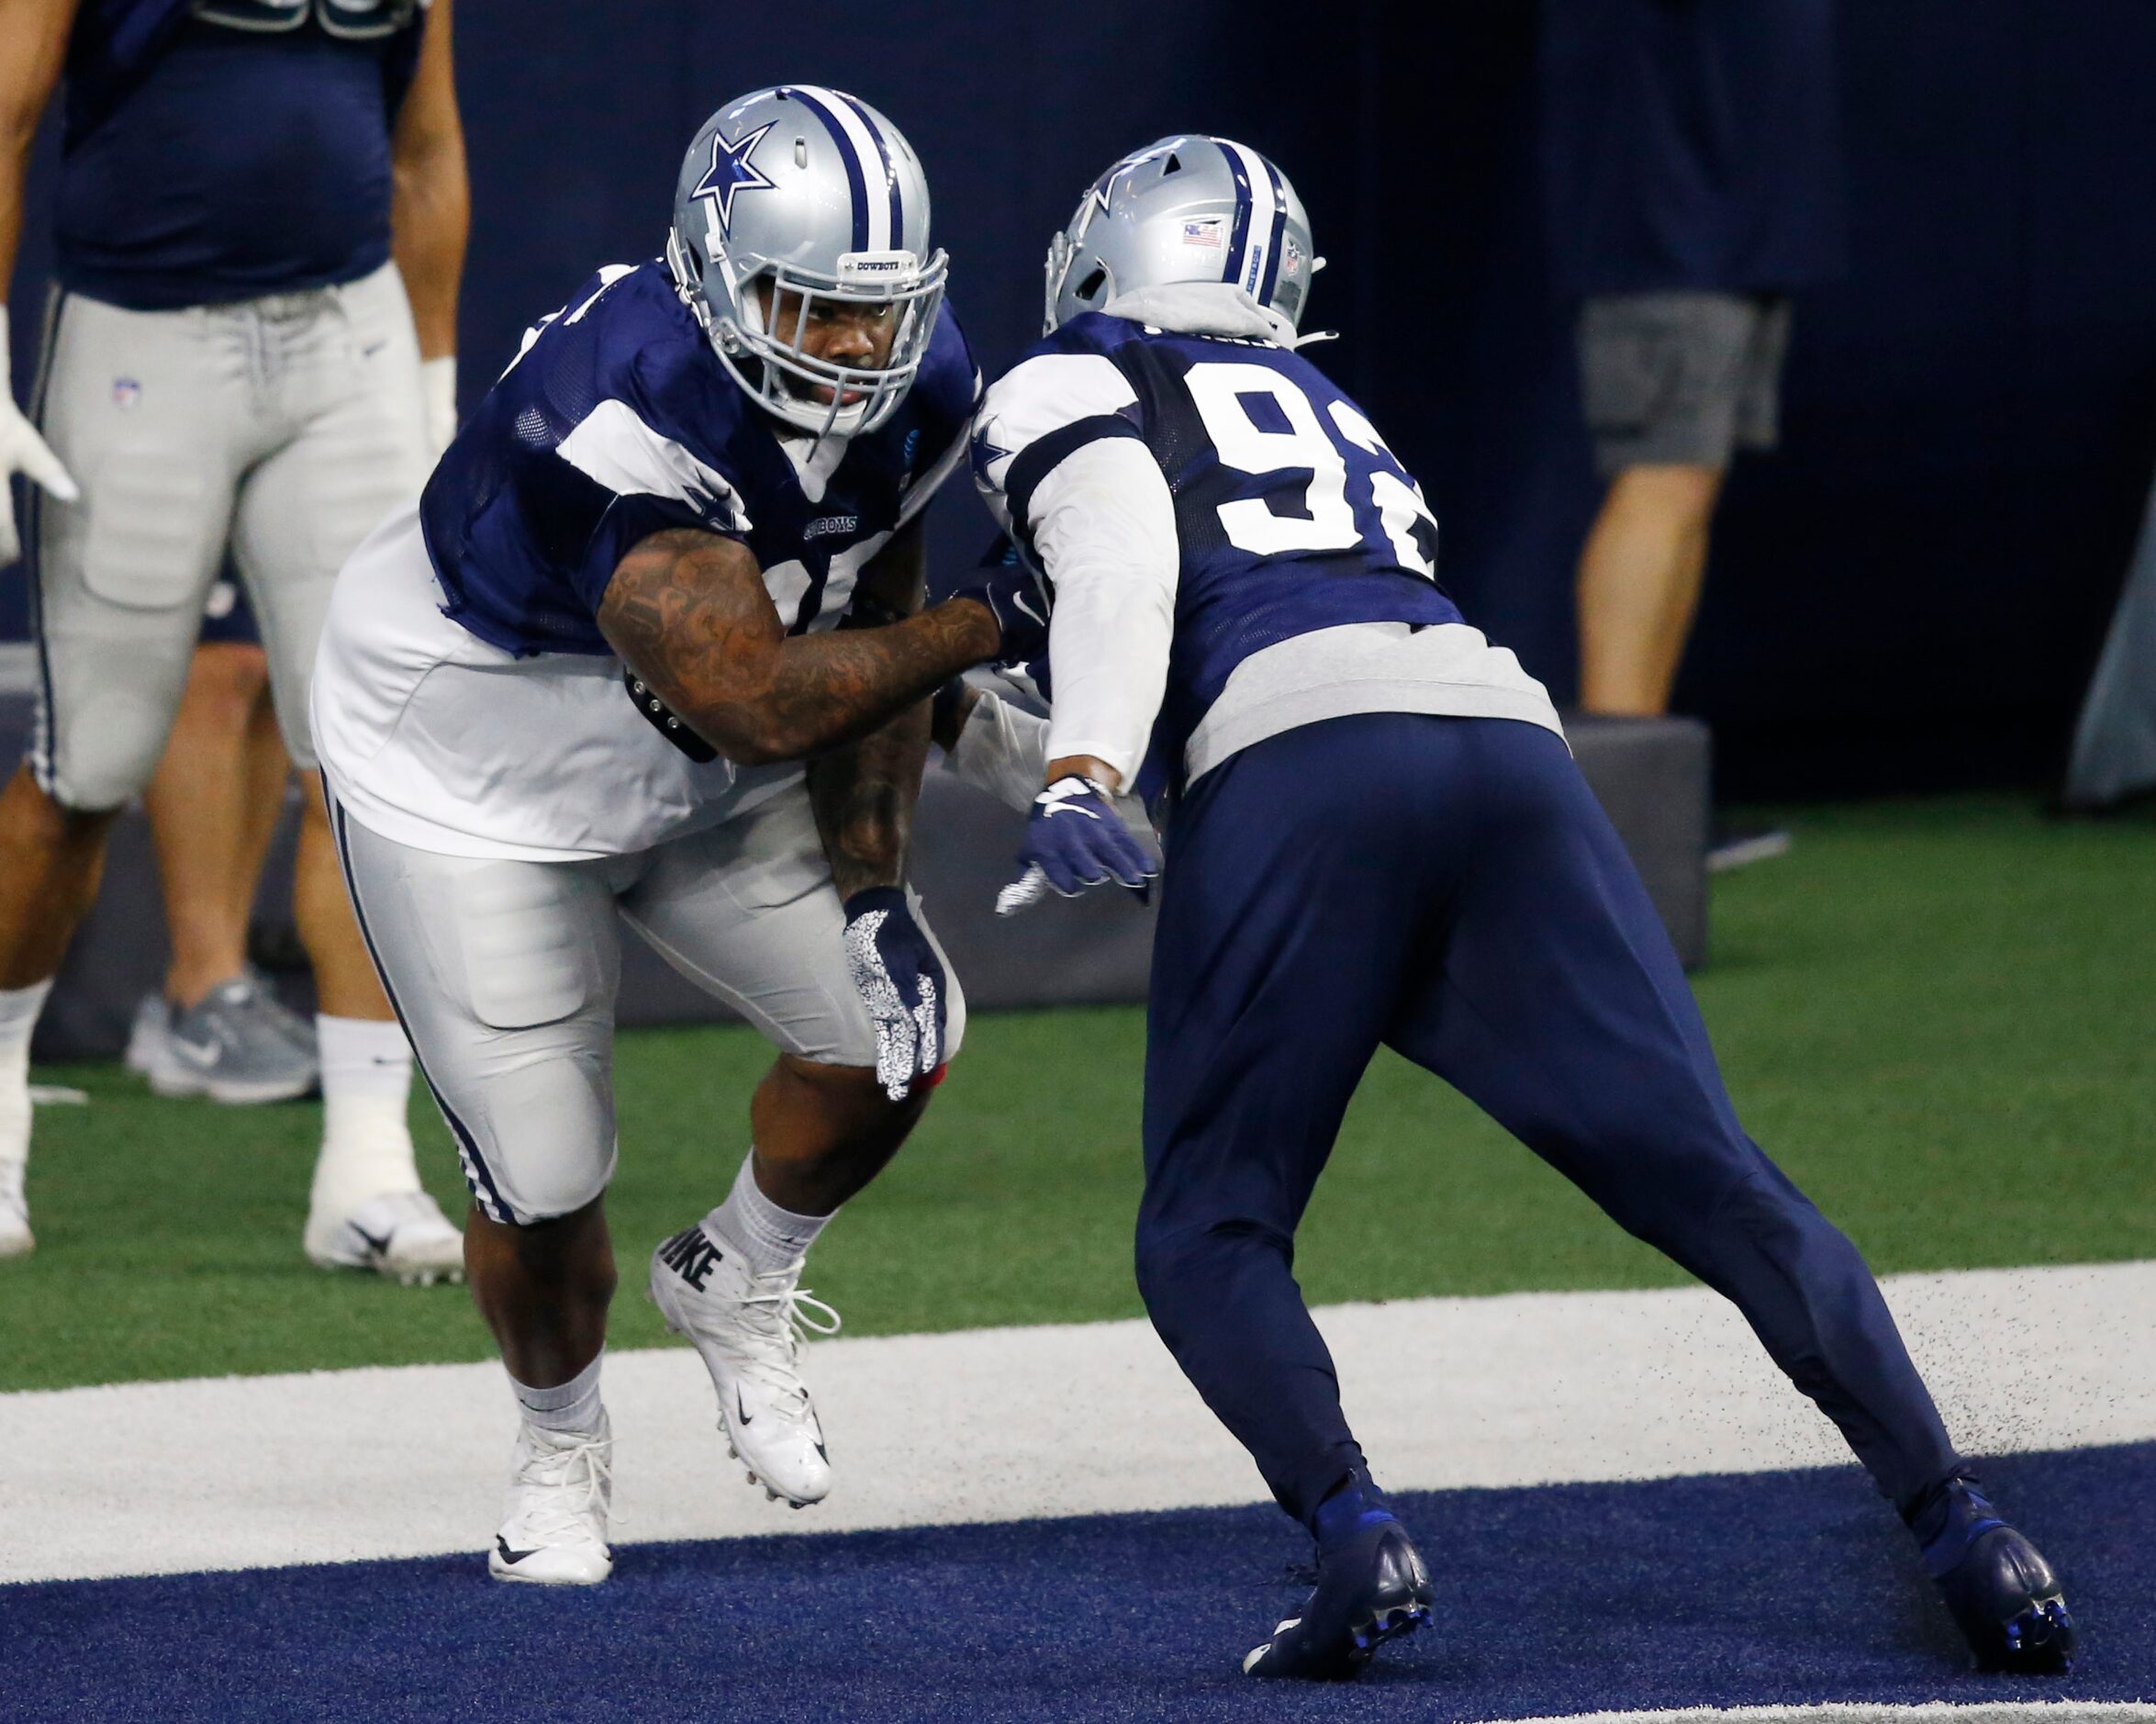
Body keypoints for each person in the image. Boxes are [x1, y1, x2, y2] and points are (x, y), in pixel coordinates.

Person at [957, 135, 2074, 1680]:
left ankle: (1354, 1528)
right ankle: (1961, 1522)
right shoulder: (1336, 412)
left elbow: (1127, 569)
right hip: (1495, 739)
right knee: (1719, 1182)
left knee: (1205, 1226)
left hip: (1298, 764)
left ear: (1106, 249)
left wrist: (1077, 766)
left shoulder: (1068, 372)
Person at [309, 85, 1049, 1587]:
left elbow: (867, 596)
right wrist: (988, 627)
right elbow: (760, 696)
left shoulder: (920, 376)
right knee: (545, 1161)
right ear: (712, 273)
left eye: (877, 311)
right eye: (808, 307)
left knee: (896, 1025)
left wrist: (877, 888)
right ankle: (558, 1437)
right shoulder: (614, 408)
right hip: (472, 770)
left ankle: (736, 1278)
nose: (851, 348)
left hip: (688, 755)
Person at [0, 0, 469, 1276]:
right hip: (141, 340)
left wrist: (432, 389)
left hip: (346, 337)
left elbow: (423, 143)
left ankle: (368, 1167)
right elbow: (7, 105)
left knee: (373, 770)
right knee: (87, 768)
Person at [1545, 0, 1840, 867]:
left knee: (1689, 486)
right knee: (1662, 479)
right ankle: (1613, 816)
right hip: (1664, 223)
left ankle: (1648, 802)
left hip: (1746, 220)